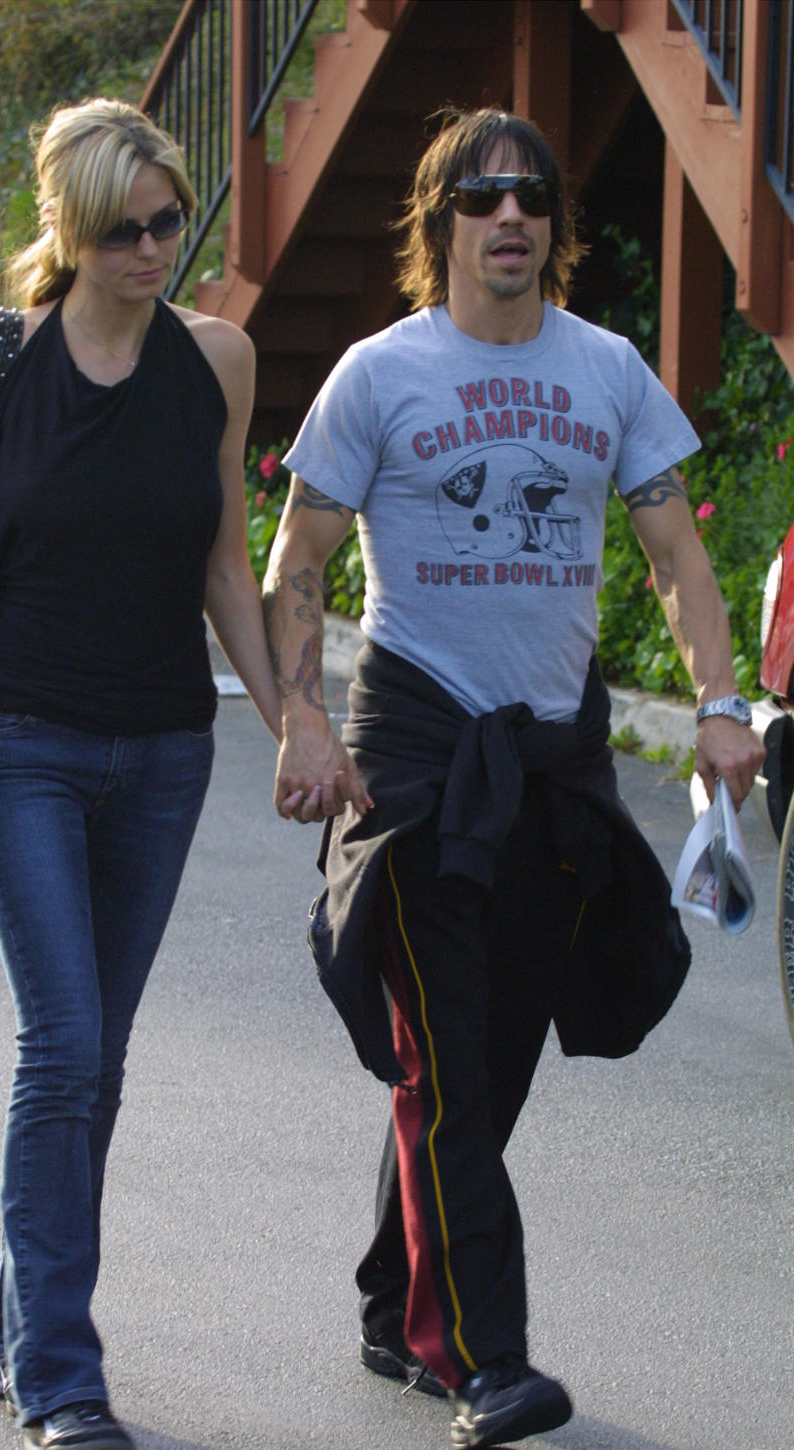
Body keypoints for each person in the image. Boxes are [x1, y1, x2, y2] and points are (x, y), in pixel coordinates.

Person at [261, 106, 765, 1449]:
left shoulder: (605, 370)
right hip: (420, 753)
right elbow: (297, 564)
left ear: (554, 223)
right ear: (441, 223)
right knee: (449, 1067)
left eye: (530, 196)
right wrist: (305, 720)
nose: (509, 217)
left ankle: (392, 1303)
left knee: (484, 1053)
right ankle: (487, 1360)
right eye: (480, 196)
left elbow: (675, 556)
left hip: (553, 757)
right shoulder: (380, 373)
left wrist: (718, 703)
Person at [0, 98, 285, 1450]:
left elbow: (225, 562)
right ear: (71, 228)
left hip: (162, 751)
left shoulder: (216, 361)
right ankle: (60, 1373)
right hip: (17, 745)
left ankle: (15, 1316)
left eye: (171, 221)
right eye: (125, 229)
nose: (155, 248)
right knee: (67, 1047)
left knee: (98, 1061)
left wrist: (294, 723)